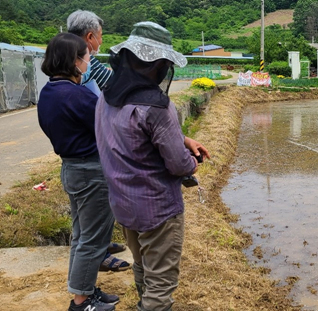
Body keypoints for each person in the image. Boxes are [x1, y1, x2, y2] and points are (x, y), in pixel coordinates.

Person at [95, 21, 210, 311]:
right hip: (157, 209)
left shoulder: (107, 98)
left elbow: (131, 136)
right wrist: (192, 163)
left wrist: (182, 139)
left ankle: (142, 303)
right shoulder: (157, 107)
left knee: (142, 264)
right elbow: (177, 165)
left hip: (123, 203)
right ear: (157, 64)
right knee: (161, 280)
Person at [37, 32, 118, 311]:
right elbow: (111, 126)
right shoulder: (76, 95)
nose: (89, 63)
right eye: (87, 57)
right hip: (91, 171)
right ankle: (82, 302)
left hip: (72, 168)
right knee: (93, 239)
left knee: (82, 236)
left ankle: (86, 289)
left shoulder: (49, 92)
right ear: (74, 61)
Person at [67, 9, 131, 272]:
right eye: (100, 37)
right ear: (90, 36)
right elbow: (116, 87)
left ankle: (101, 246)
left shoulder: (67, 57)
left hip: (77, 146)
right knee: (95, 207)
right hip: (90, 146)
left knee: (85, 214)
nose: (101, 43)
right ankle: (99, 254)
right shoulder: (84, 61)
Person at [67, 10, 112, 90]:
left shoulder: (62, 54)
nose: (101, 41)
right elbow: (117, 82)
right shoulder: (86, 62)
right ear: (90, 37)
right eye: (100, 36)